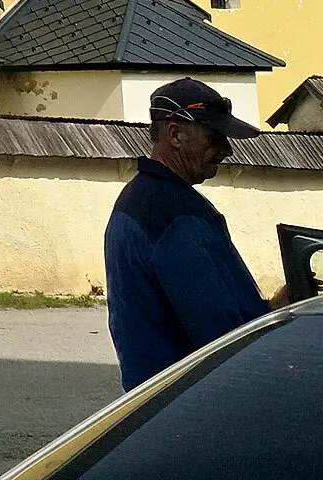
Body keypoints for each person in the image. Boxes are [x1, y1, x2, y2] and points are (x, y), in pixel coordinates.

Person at [104, 77, 278, 388]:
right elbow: (222, 334)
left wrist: (273, 309)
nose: (226, 149)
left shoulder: (137, 198)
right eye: (214, 137)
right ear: (175, 134)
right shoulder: (176, 214)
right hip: (195, 398)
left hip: (159, 399)